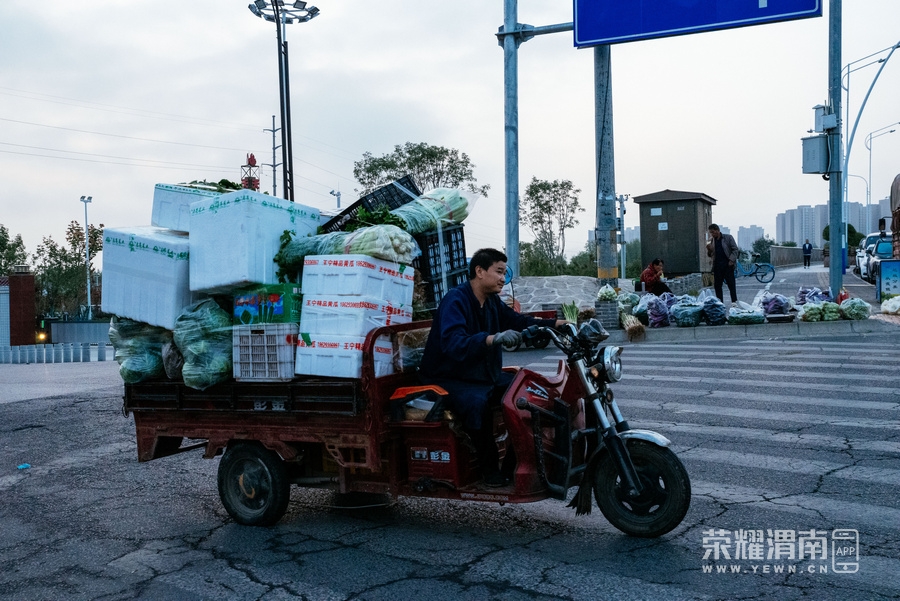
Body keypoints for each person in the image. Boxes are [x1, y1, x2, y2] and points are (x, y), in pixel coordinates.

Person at [419, 248, 568, 487]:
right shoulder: (455, 300)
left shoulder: (492, 302)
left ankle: (514, 463)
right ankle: (489, 471)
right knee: (477, 404)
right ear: (479, 271)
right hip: (449, 378)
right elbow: (453, 343)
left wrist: (559, 324)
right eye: (498, 272)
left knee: (528, 391)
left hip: (481, 375)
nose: (503, 278)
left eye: (504, 272)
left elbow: (518, 321)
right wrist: (493, 338)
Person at [706, 224, 739, 305]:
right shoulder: (711, 241)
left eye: (713, 232)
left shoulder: (728, 238)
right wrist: (709, 250)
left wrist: (731, 260)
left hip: (727, 265)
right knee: (717, 286)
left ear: (717, 230)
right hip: (717, 266)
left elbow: (735, 250)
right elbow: (710, 255)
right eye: (711, 233)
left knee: (731, 285)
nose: (712, 234)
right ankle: (720, 303)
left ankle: (734, 302)